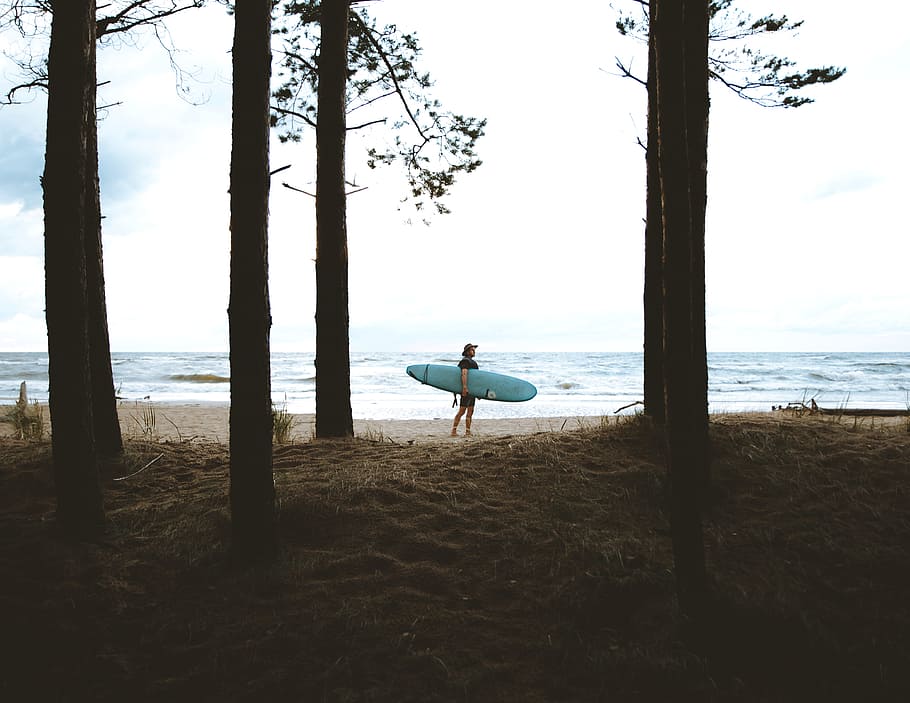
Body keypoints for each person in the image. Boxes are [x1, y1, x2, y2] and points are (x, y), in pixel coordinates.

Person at [451, 343, 478, 436]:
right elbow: (464, 373)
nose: (474, 351)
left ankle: (468, 431)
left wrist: (479, 392)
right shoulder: (465, 361)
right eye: (472, 350)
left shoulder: (472, 362)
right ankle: (453, 431)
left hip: (472, 391)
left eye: (474, 350)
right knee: (462, 411)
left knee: (470, 411)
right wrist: (464, 387)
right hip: (466, 390)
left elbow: (476, 379)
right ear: (467, 352)